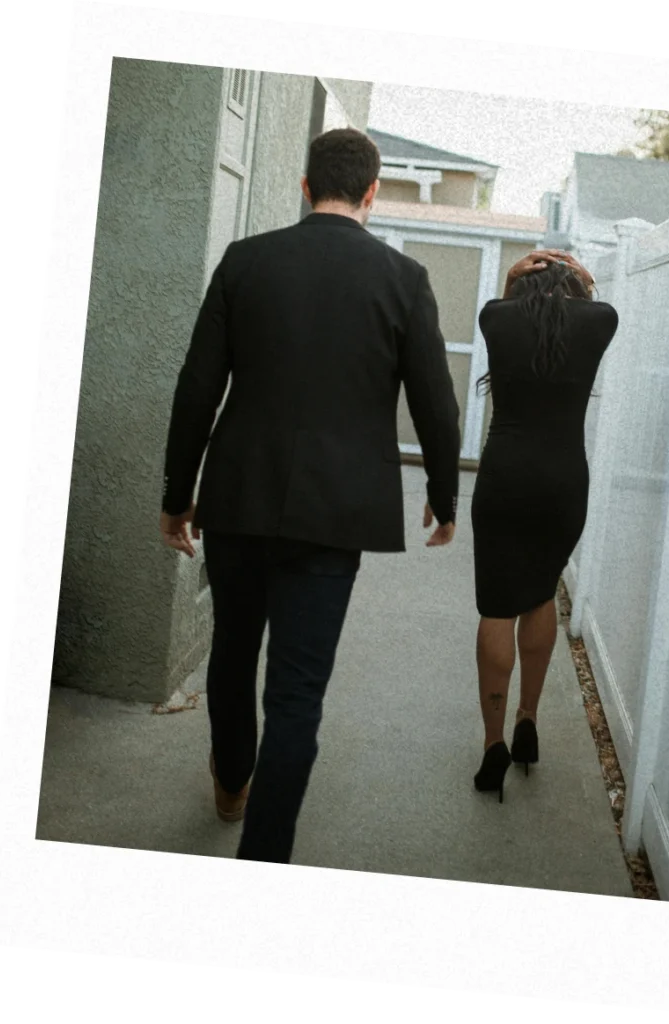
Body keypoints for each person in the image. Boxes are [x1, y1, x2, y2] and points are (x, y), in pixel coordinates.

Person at [158, 127, 461, 863]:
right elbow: (435, 400)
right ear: (372, 193)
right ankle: (264, 856)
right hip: (335, 513)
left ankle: (233, 778)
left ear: (304, 186)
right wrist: (444, 495)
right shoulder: (403, 278)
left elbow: (198, 387)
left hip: (238, 496)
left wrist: (177, 494)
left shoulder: (245, 261)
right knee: (297, 694)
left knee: (233, 650)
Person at [469, 249, 618, 802]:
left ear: (522, 285)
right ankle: (527, 720)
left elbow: (501, 304)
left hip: (504, 479)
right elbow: (596, 305)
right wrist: (582, 279)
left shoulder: (497, 317)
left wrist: (512, 277)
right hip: (563, 483)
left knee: (497, 608)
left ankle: (493, 745)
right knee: (540, 596)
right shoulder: (599, 322)